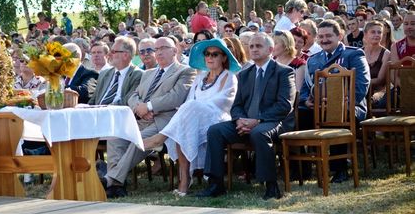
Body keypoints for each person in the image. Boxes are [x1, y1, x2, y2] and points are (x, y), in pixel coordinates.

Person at [197, 33, 296, 199]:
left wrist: (257, 121)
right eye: (251, 46)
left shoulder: (284, 72)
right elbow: (236, 106)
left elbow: (284, 105)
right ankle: (216, 184)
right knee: (215, 130)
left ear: (270, 49)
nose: (254, 49)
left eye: (259, 46)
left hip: (273, 122)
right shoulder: (245, 74)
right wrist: (240, 121)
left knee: (259, 132)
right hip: (245, 123)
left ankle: (271, 186)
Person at [143, 39, 240, 196]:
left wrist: (196, 107)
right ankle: (184, 178)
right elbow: (189, 100)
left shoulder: (229, 77)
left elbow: (223, 102)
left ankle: (160, 140)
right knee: (185, 118)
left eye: (215, 54)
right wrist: (192, 109)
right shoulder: (200, 77)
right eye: (207, 54)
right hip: (194, 117)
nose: (210, 57)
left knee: (189, 111)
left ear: (223, 57)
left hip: (218, 118)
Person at [103, 37, 196, 198]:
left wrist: (149, 106)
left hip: (164, 121)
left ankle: (109, 181)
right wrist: (139, 107)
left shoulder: (185, 71)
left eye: (163, 48)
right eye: (156, 49)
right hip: (140, 118)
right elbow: (133, 95)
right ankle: (116, 185)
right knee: (115, 136)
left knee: (137, 140)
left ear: (174, 51)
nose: (158, 52)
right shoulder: (148, 73)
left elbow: (175, 97)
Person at [299, 20, 370, 183]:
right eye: (321, 36)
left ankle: (340, 169)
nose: (324, 40)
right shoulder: (313, 60)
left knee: (335, 114)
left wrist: (343, 102)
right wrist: (305, 100)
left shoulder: (354, 54)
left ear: (340, 36)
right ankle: (303, 169)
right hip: (318, 107)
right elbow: (305, 87)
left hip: (350, 108)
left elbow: (361, 85)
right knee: (300, 115)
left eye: (329, 36)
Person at [89, 36, 143, 106]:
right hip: (98, 113)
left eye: (113, 51)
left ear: (125, 55)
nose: (109, 54)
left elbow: (128, 101)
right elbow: (93, 100)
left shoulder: (138, 75)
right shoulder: (104, 73)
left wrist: (105, 109)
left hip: (117, 114)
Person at [363, 21, 390, 108]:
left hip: (379, 91)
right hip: (360, 89)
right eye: (373, 32)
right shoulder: (359, 53)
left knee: (369, 100)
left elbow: (380, 80)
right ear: (365, 34)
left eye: (379, 32)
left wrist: (359, 83)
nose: (376, 34)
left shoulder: (386, 54)